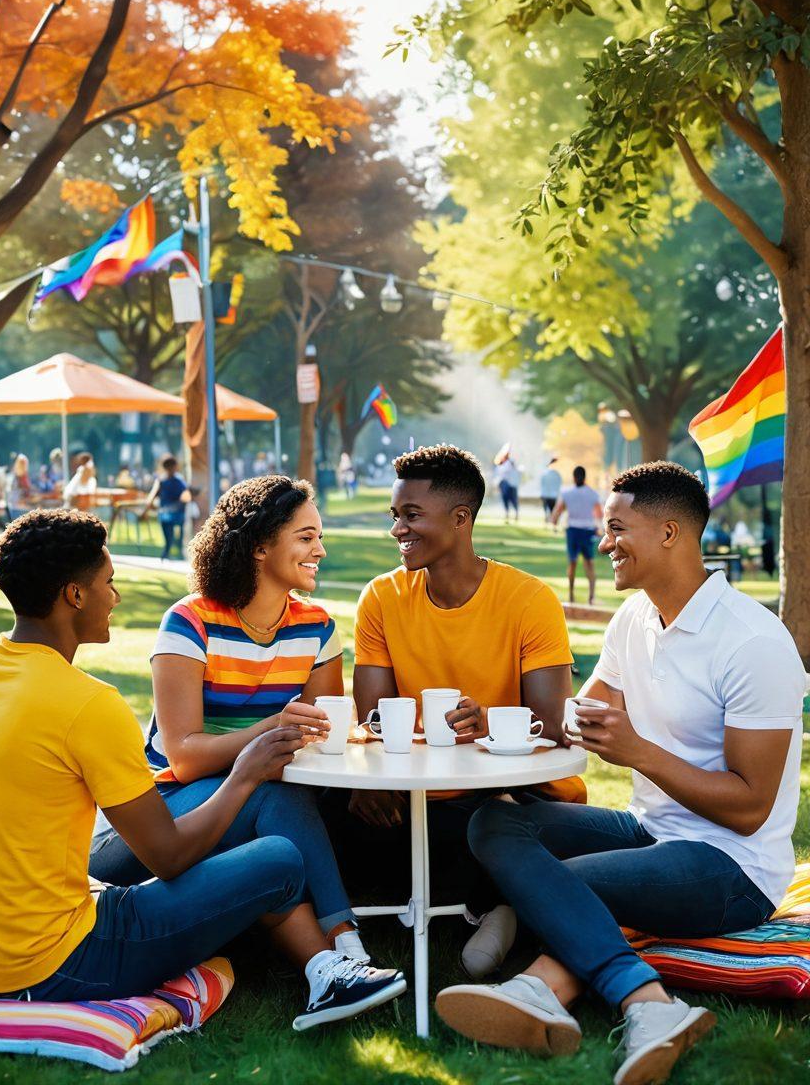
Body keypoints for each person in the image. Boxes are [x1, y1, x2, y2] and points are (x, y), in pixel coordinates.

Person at [0, 509, 404, 1031]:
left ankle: (328, 969)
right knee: (280, 859)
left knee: (268, 822)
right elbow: (169, 856)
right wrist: (245, 772)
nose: (116, 597)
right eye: (109, 583)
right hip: (60, 961)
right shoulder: (89, 704)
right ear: (74, 596)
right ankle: (330, 963)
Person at [436, 462, 805, 1085]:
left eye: (616, 528)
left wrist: (639, 752)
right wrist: (496, 723)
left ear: (668, 534)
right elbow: (581, 716)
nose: (602, 542)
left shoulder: (753, 642)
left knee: (566, 880)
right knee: (494, 823)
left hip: (733, 864)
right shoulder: (634, 619)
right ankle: (605, 994)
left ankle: (613, 997)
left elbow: (751, 808)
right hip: (649, 828)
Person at [90, 474, 395, 983]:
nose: (319, 549)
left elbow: (318, 740)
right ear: (258, 545)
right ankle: (345, 940)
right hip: (155, 818)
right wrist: (272, 730)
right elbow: (183, 757)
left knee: (276, 789)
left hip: (251, 793)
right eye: (305, 537)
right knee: (271, 790)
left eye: (319, 536)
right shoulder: (190, 621)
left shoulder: (317, 626)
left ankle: (333, 958)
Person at [338, 444, 583, 979]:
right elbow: (374, 719)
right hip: (417, 793)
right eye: (395, 516)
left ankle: (493, 900)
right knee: (327, 815)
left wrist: (488, 722)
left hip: (513, 794)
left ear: (461, 518)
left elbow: (554, 725)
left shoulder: (528, 599)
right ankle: (492, 900)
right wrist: (369, 781)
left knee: (490, 823)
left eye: (411, 515)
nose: (398, 529)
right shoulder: (381, 598)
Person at [551, 466, 602, 605]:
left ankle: (571, 595)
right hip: (587, 530)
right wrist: (600, 529)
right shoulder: (592, 493)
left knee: (572, 563)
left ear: (573, 477)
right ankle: (591, 597)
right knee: (589, 564)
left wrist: (554, 522)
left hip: (573, 531)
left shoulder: (567, 493)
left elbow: (557, 511)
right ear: (584, 477)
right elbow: (599, 514)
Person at [140, 454, 190, 560]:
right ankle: (168, 552)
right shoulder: (162, 481)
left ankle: (175, 551)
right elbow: (152, 496)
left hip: (176, 513)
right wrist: (145, 510)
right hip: (167, 513)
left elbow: (186, 495)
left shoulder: (178, 480)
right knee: (168, 534)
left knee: (176, 533)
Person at [492, 446, 520, 522]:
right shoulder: (500, 465)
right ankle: (507, 514)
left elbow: (515, 471)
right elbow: (497, 475)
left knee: (513, 500)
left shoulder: (511, 463)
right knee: (505, 499)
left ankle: (516, 513)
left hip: (511, 484)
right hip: (503, 483)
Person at [5, 453, 32, 519]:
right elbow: (11, 495)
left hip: (26, 508)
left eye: (25, 463)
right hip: (17, 509)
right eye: (21, 463)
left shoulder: (25, 476)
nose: (24, 465)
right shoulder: (14, 478)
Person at [539, 458, 562, 525]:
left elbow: (542, 484)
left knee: (546, 510)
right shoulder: (557, 474)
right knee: (553, 511)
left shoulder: (545, 473)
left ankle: (548, 522)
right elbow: (559, 484)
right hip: (553, 495)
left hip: (546, 494)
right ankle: (553, 525)